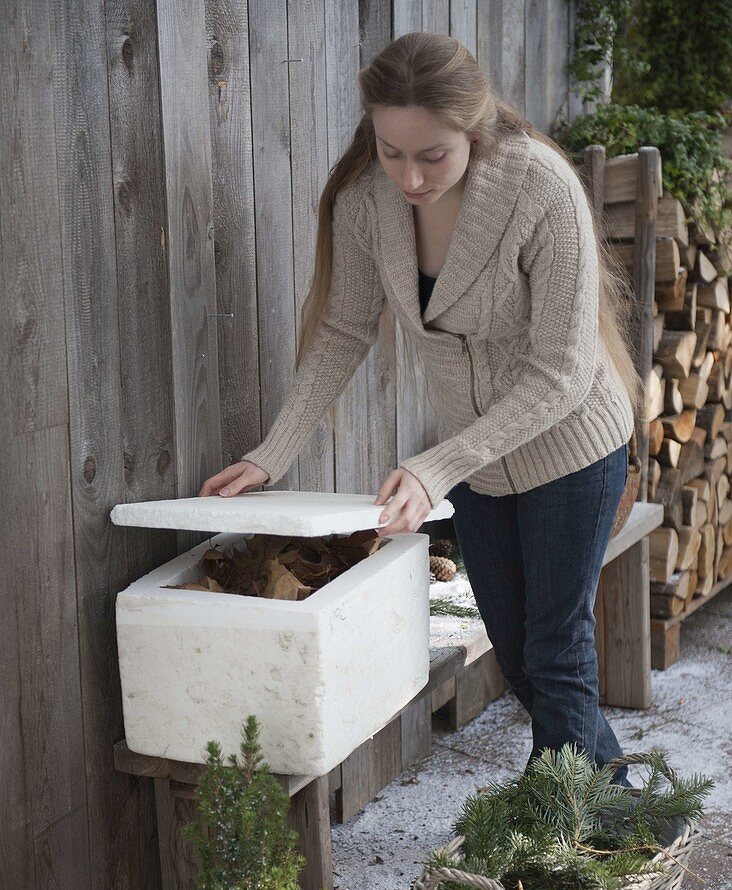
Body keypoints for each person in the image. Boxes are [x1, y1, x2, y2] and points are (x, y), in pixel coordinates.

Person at [199, 32, 646, 787]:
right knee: (515, 650)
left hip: (572, 445)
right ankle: (618, 806)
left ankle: (561, 845)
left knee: (556, 648)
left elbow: (564, 371)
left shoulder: (540, 188)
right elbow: (343, 331)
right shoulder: (369, 204)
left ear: (471, 131)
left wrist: (435, 467)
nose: (409, 175)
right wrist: (273, 453)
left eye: (431, 155)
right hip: (477, 463)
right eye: (390, 151)